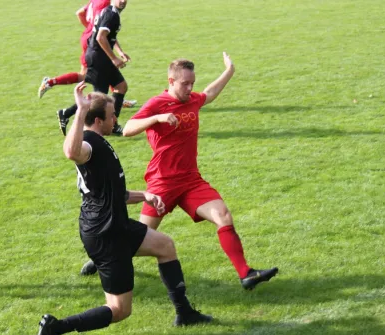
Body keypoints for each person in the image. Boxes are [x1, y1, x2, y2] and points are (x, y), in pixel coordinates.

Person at [27, 83, 211, 335]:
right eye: (113, 115)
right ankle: (57, 326)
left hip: (115, 225)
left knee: (165, 245)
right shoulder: (88, 144)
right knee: (119, 309)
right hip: (105, 233)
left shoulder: (99, 142)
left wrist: (144, 196)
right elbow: (71, 152)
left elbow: (112, 192)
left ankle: (185, 313)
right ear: (98, 120)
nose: (117, 120)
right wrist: (79, 111)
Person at [82, 53, 279, 290]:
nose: (189, 88)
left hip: (191, 181)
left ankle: (245, 274)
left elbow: (210, 93)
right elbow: (128, 129)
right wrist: (157, 118)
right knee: (136, 238)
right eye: (185, 83)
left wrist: (229, 71)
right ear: (171, 81)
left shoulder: (192, 100)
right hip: (162, 182)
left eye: (192, 83)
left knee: (223, 216)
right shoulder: (157, 103)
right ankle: (99, 258)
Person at [37, 0, 137, 107]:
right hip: (94, 42)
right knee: (91, 74)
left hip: (89, 37)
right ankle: (52, 85)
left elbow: (79, 13)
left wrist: (90, 28)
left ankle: (116, 98)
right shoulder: (105, 3)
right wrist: (94, 32)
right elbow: (103, 31)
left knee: (100, 70)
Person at [55, 0, 131, 136]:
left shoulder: (109, 11)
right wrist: (114, 58)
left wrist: (119, 52)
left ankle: (113, 124)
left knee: (121, 86)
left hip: (98, 56)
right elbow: (101, 38)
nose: (123, 1)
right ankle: (69, 114)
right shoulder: (111, 14)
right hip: (99, 58)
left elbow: (108, 35)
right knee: (98, 99)